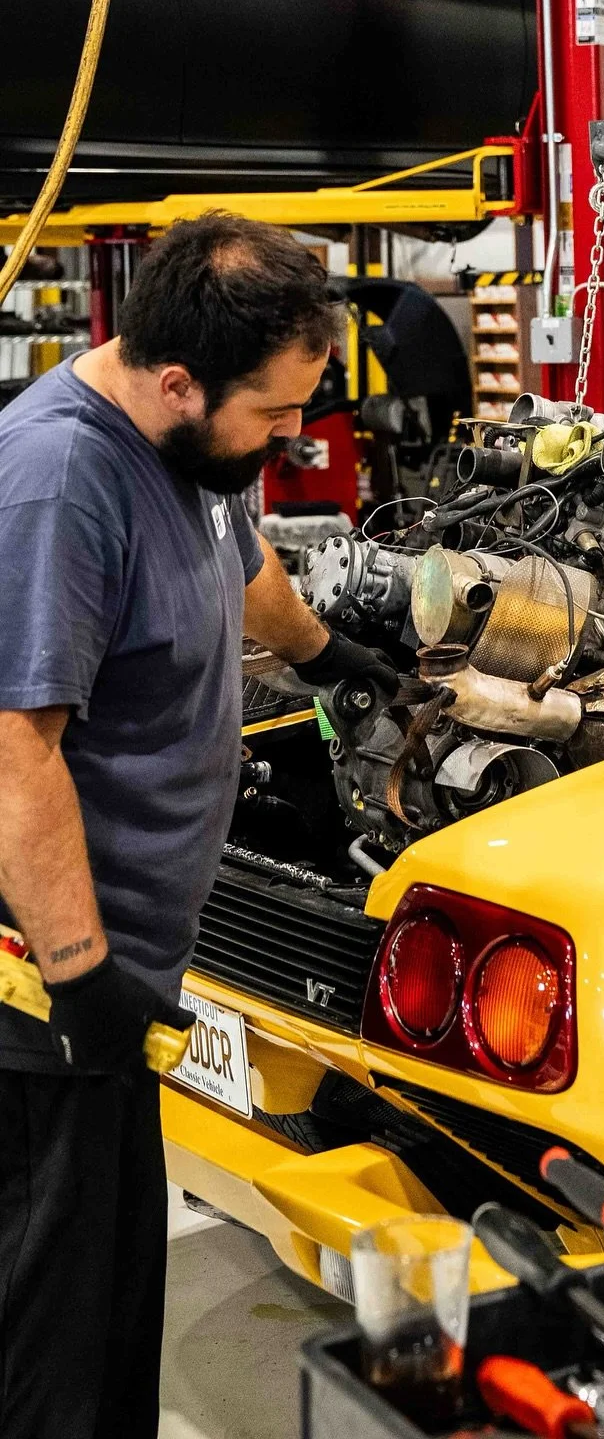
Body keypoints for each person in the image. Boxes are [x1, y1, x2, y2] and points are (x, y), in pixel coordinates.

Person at [0, 214, 398, 1439]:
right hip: (44, 997)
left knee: (121, 1306)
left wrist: (328, 656)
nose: (292, 434)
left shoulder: (194, 448)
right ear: (177, 383)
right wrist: (80, 977)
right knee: (51, 1342)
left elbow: (241, 556)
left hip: (130, 974)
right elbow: (14, 753)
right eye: (275, 414)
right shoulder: (61, 482)